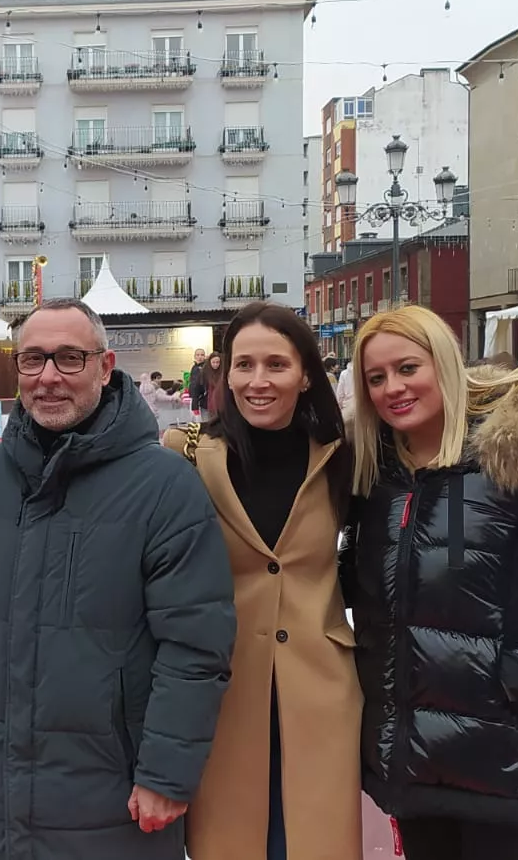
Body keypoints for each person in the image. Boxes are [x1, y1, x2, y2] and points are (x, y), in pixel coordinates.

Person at [0, 297, 236, 860]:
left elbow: (196, 644)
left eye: (69, 359)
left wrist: (166, 772)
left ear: (105, 369)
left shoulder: (164, 485)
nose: (48, 377)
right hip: (3, 796)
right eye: (33, 360)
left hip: (117, 794)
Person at [343, 305, 518, 860]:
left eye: (407, 368)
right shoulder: (378, 476)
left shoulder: (513, 461)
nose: (392, 388)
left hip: (500, 753)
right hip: (411, 750)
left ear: (443, 365)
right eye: (376, 378)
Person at [161, 303, 360, 860]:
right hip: (222, 690)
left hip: (321, 692)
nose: (258, 381)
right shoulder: (187, 453)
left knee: (315, 841)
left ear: (305, 374)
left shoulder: (344, 456)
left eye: (276, 364)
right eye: (243, 365)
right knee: (230, 842)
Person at [189, 348, 209, 413]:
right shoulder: (194, 367)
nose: (200, 357)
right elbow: (193, 384)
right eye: (198, 355)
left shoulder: (206, 367)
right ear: (194, 356)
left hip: (203, 398)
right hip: (195, 398)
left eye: (202, 355)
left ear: (205, 356)